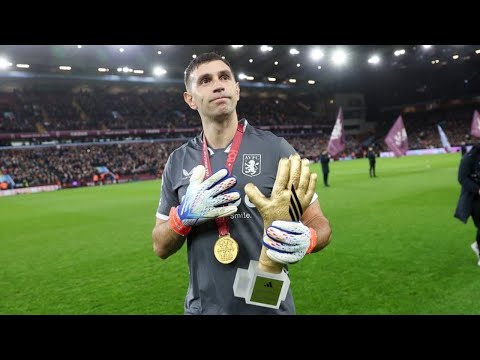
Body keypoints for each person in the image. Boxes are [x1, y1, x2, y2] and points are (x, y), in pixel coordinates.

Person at [151, 52, 332, 315]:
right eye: (205, 80)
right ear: (190, 99)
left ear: (237, 90)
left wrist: (310, 238)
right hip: (203, 309)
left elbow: (319, 222)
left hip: (267, 305)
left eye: (225, 77)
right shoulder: (178, 161)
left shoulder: (275, 149)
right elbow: (160, 246)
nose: (218, 84)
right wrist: (184, 216)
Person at [454, 144, 480, 266]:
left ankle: (477, 244)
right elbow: (462, 178)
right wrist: (477, 189)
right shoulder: (468, 158)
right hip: (474, 199)